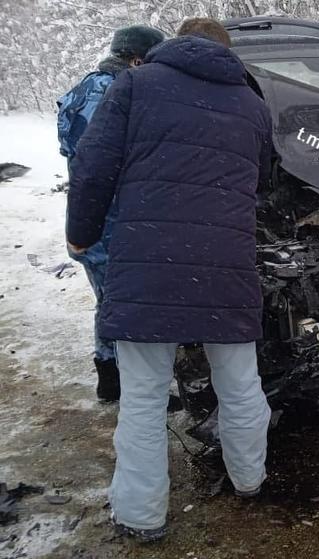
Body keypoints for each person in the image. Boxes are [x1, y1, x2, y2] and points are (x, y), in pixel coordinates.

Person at [66, 17, 273, 542]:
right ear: (228, 54)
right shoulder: (252, 102)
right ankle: (250, 481)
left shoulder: (135, 84)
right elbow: (266, 180)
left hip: (149, 264)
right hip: (227, 265)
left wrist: (80, 235)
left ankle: (141, 516)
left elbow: (93, 164)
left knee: (143, 397)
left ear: (176, 43)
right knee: (241, 386)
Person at [57, 25, 165, 403]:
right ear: (136, 59)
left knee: (110, 299)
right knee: (121, 302)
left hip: (97, 214)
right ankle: (127, 384)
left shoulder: (88, 88)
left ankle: (112, 378)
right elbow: (98, 162)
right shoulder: (108, 93)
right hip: (109, 217)